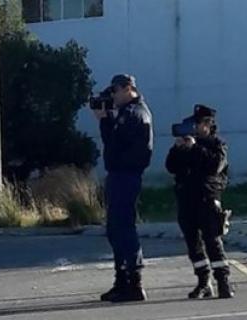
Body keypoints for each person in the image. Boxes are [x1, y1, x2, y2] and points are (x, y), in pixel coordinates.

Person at [93, 74, 153, 302]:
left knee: (124, 227)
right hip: (119, 174)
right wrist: (107, 119)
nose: (113, 97)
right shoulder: (127, 113)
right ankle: (122, 280)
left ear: (128, 89)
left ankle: (133, 282)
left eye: (115, 92)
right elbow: (113, 143)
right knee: (115, 228)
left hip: (127, 175)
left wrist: (105, 120)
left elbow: (115, 143)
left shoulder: (135, 114)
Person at [165, 104, 234, 299]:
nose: (195, 128)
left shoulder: (217, 145)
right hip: (186, 198)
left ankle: (223, 281)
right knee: (192, 242)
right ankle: (203, 282)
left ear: (208, 124)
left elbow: (214, 166)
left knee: (212, 240)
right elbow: (170, 167)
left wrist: (195, 147)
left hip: (207, 198)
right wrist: (179, 148)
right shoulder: (185, 145)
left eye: (199, 124)